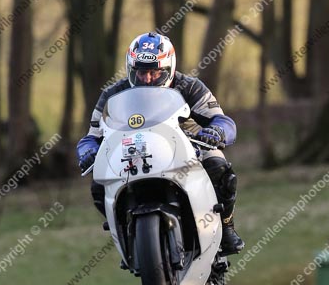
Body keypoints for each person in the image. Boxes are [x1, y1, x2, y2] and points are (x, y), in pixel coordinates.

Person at [76, 31, 244, 255]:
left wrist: (215, 132)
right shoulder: (112, 94)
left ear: (169, 68)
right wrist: (88, 151)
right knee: (99, 185)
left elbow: (223, 120)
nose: (147, 79)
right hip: (131, 155)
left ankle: (226, 225)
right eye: (140, 73)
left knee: (218, 165)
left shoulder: (190, 87)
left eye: (154, 73)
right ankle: (128, 231)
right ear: (130, 69)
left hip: (187, 151)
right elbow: (91, 137)